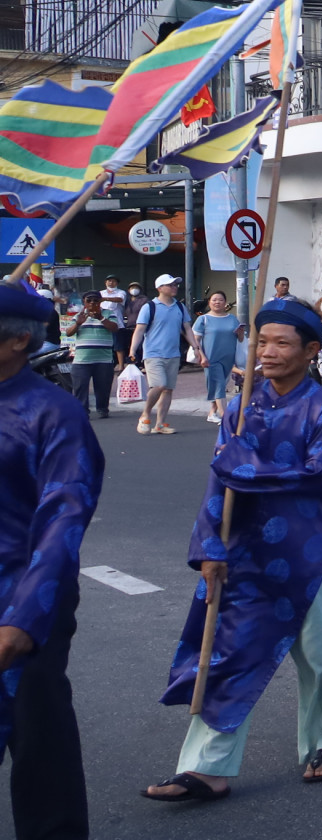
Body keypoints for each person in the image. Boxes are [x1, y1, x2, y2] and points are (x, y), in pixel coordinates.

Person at [144, 300, 322, 802]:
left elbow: (317, 476)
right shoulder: (240, 405)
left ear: (311, 351)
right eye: (262, 342)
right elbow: (217, 484)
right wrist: (209, 547)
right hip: (244, 551)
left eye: (282, 343)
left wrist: (242, 465)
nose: (268, 352)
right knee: (228, 654)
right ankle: (206, 768)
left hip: (312, 552)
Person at [0, 282, 104, 840]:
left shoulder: (53, 414)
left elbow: (64, 516)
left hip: (25, 593)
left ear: (19, 340)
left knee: (36, 727)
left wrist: (24, 617)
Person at [131, 273, 193, 435]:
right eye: (170, 285)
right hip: (153, 353)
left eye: (175, 285)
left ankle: (160, 424)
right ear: (160, 288)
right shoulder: (149, 307)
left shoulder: (179, 307)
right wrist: (132, 349)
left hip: (173, 354)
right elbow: (139, 330)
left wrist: (196, 348)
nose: (174, 287)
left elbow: (187, 329)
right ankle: (145, 414)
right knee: (159, 385)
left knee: (168, 389)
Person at [62, 290, 117, 420]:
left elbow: (115, 328)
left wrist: (101, 318)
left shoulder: (109, 313)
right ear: (84, 302)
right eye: (89, 300)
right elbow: (68, 333)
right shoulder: (78, 316)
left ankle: (102, 409)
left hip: (104, 359)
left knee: (103, 387)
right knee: (80, 387)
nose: (92, 302)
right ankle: (82, 411)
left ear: (100, 301)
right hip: (82, 360)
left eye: (96, 300)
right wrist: (77, 323)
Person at [191, 290, 244, 425]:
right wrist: (202, 356)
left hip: (228, 358)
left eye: (220, 300)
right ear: (209, 302)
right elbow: (195, 340)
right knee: (219, 385)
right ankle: (225, 417)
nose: (217, 302)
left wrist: (240, 333)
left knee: (220, 384)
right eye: (214, 300)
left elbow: (240, 339)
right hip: (211, 358)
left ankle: (212, 413)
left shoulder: (232, 319)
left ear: (225, 303)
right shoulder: (203, 319)